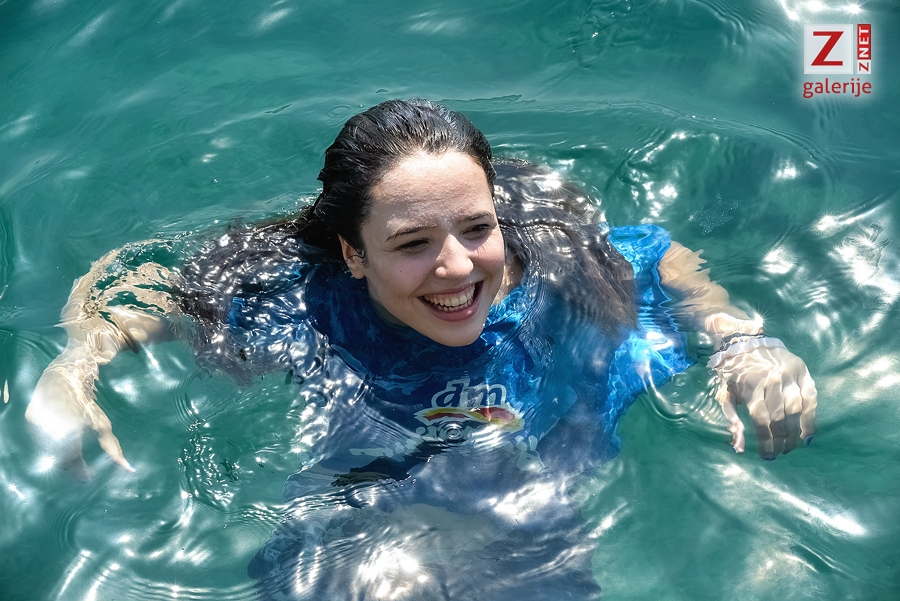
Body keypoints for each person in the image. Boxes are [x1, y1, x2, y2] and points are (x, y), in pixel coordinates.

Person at [27, 99, 817, 599]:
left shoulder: (559, 272)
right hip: (375, 508)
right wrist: (71, 369)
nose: (457, 267)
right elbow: (135, 280)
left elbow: (659, 255)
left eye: (476, 227)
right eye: (412, 243)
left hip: (532, 505)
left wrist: (740, 341)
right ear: (353, 252)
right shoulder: (308, 304)